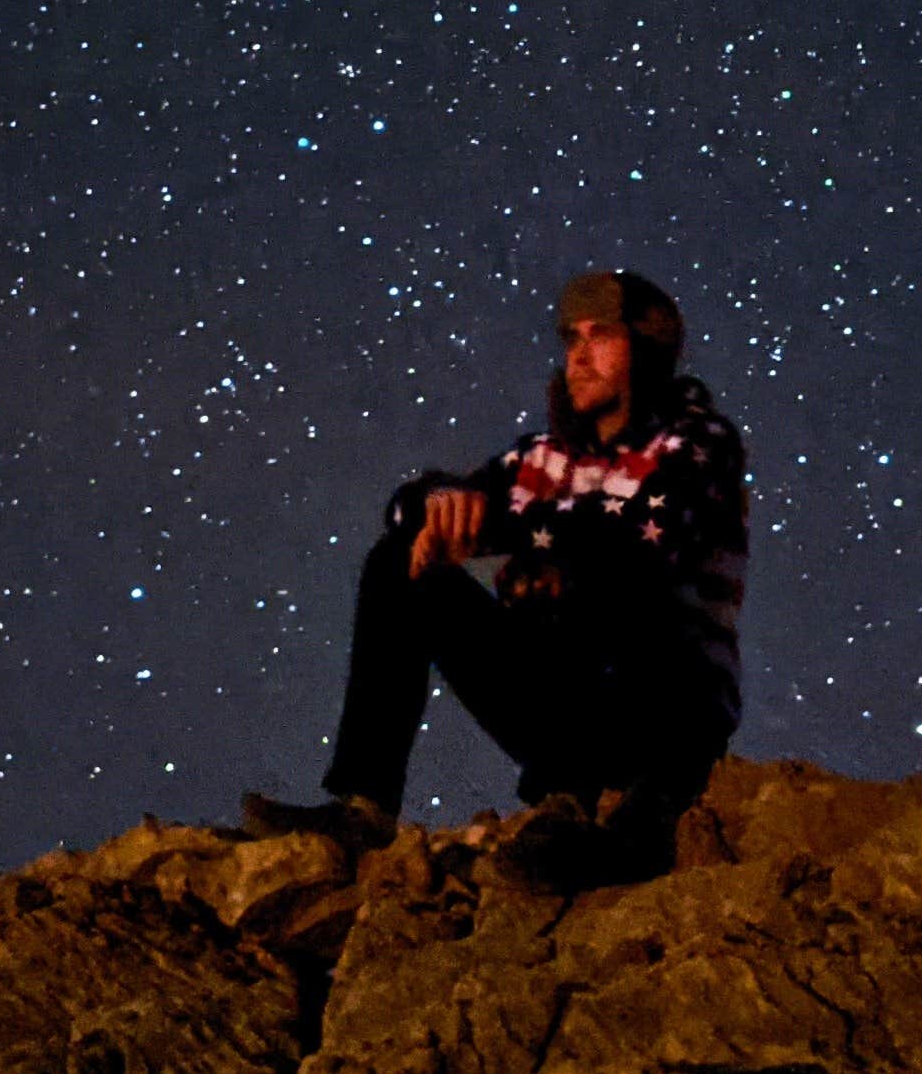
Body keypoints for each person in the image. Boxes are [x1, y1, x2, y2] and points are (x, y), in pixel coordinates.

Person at [248, 271, 746, 885]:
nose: (579, 356)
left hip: (662, 709)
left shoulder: (699, 441)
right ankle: (364, 806)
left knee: (611, 577)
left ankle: (614, 820)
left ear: (646, 348)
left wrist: (529, 543)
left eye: (602, 336)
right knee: (400, 561)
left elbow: (649, 542)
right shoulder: (542, 460)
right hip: (558, 702)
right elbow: (409, 507)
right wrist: (443, 501)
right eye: (571, 339)